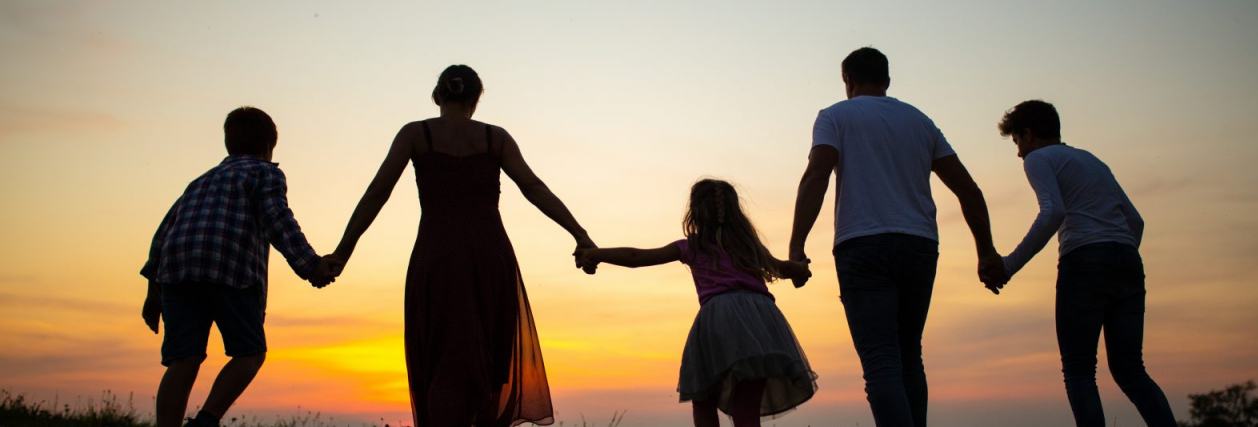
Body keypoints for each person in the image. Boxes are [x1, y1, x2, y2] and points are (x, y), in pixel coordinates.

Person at [328, 65, 594, 427]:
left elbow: (378, 192)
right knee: (488, 360)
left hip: (437, 257)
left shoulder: (415, 134)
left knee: (441, 358)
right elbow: (534, 188)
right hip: (490, 257)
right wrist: (580, 234)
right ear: (475, 100)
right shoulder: (494, 138)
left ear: (438, 96)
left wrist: (342, 253)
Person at [787, 47, 1000, 427]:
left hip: (862, 245)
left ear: (847, 81)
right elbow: (968, 190)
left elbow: (817, 176)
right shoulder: (920, 121)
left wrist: (796, 248)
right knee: (908, 356)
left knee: (882, 361)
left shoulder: (835, 116)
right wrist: (986, 253)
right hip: (919, 245)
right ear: (887, 81)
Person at [139, 107, 342, 427]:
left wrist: (153, 295)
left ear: (228, 144)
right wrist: (312, 265)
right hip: (229, 270)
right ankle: (205, 421)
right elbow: (279, 222)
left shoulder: (199, 182)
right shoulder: (265, 172)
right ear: (268, 147)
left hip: (177, 273)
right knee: (249, 353)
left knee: (183, 360)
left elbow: (162, 236)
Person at [992, 100, 1176, 427]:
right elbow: (1136, 222)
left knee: (1079, 370)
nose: (1018, 153)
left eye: (1017, 142)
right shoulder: (1092, 160)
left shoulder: (1039, 158)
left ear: (1028, 134)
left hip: (1084, 262)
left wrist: (1009, 266)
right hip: (1127, 259)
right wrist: (1117, 256)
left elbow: (1053, 213)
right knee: (1131, 369)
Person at [576, 179, 817, 427]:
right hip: (761, 320)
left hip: (718, 319)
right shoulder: (750, 247)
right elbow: (784, 269)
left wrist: (595, 254)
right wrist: (801, 269)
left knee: (704, 401)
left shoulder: (693, 246)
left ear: (695, 213)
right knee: (746, 405)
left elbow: (637, 257)